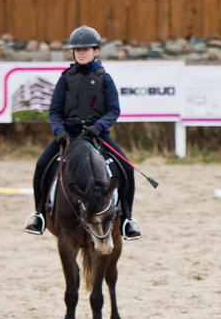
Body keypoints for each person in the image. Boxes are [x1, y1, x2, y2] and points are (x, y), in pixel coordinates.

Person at [24, 25, 142, 240]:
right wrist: (59, 130)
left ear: (96, 51)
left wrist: (99, 127)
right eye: (77, 50)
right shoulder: (65, 78)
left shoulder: (105, 79)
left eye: (85, 49)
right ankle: (39, 213)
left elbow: (114, 110)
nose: (80, 53)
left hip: (97, 135)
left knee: (126, 167)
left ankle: (127, 219)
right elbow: (55, 110)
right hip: (68, 136)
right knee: (42, 165)